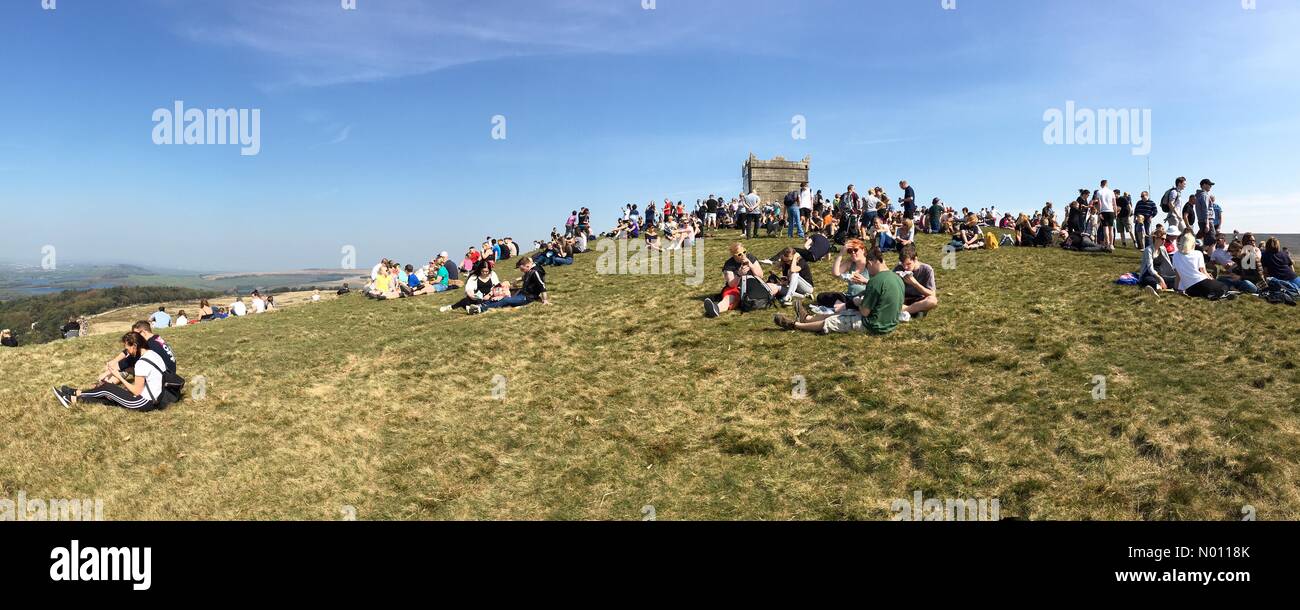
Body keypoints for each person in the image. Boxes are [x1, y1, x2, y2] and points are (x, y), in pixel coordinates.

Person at [774, 245, 903, 335]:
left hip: (875, 325)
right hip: (889, 322)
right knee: (842, 312)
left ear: (870, 263)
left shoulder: (876, 281)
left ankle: (796, 325)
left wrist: (858, 303)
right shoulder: (897, 278)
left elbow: (864, 312)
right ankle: (807, 318)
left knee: (831, 321)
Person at [53, 332, 170, 411]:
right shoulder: (153, 354)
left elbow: (137, 391)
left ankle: (72, 396)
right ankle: (74, 398)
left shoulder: (142, 362)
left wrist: (119, 376)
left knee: (107, 388)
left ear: (134, 345)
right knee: (109, 397)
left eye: (127, 348)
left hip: (143, 403)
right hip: (155, 398)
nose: (127, 352)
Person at [703, 243, 762, 318]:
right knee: (730, 297)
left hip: (752, 285)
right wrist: (739, 274)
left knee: (771, 287)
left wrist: (751, 265)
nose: (743, 255)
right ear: (733, 255)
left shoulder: (751, 257)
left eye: (744, 252)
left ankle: (781, 292)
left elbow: (760, 276)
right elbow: (731, 284)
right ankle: (716, 309)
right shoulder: (729, 264)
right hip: (736, 288)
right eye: (739, 254)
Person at [1172, 231, 1229, 299]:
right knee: (1224, 287)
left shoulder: (1175, 255)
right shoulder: (1198, 253)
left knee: (1206, 291)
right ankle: (1215, 295)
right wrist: (1211, 279)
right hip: (1200, 281)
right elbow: (1203, 271)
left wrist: (1176, 289)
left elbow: (1178, 275)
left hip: (1190, 289)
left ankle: (1211, 295)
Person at [894, 245, 937, 320]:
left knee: (932, 300)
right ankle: (913, 311)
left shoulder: (927, 269)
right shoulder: (899, 268)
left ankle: (904, 311)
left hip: (919, 300)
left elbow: (932, 294)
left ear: (915, 259)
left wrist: (915, 283)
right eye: (903, 264)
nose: (905, 267)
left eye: (908, 264)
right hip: (904, 299)